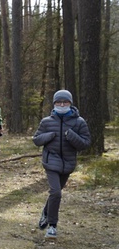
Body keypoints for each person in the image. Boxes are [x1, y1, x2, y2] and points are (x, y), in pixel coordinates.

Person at [32, 90, 91, 239]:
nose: (62, 105)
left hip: (68, 163)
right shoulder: (46, 122)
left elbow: (85, 143)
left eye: (65, 102)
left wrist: (72, 136)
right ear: (54, 104)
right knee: (56, 192)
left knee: (55, 194)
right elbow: (36, 139)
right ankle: (52, 226)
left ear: (70, 104)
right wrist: (49, 136)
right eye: (59, 102)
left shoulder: (79, 122)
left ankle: (46, 212)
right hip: (51, 161)